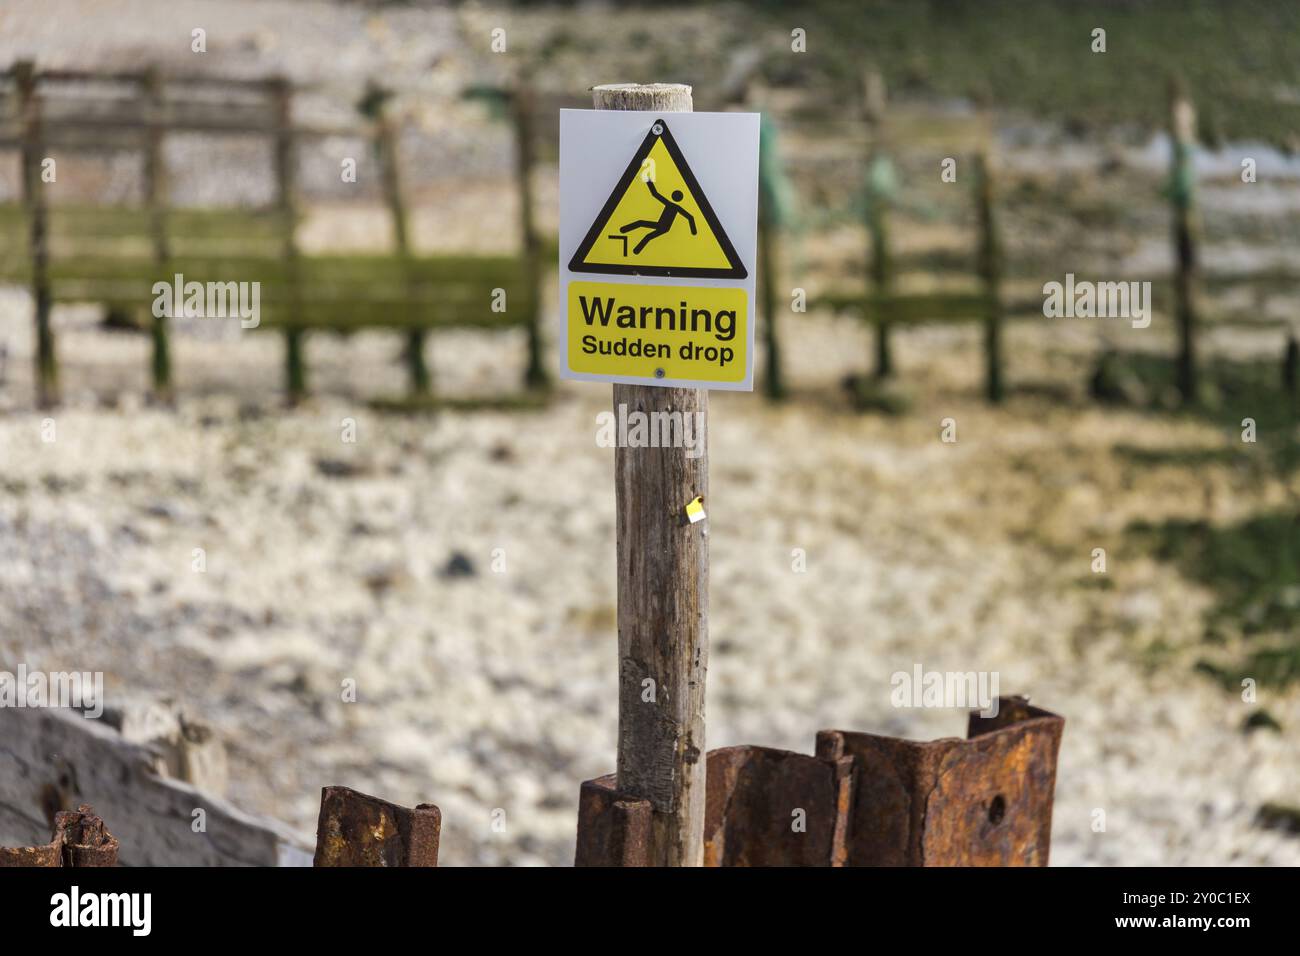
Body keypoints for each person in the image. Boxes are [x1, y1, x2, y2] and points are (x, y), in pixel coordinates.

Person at [619, 179, 696, 254]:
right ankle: (626, 235)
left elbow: (655, 194)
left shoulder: (672, 205)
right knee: (645, 231)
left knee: (644, 230)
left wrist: (649, 182)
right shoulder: (673, 205)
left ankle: (630, 241)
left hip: (663, 227)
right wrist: (649, 182)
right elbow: (690, 217)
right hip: (662, 226)